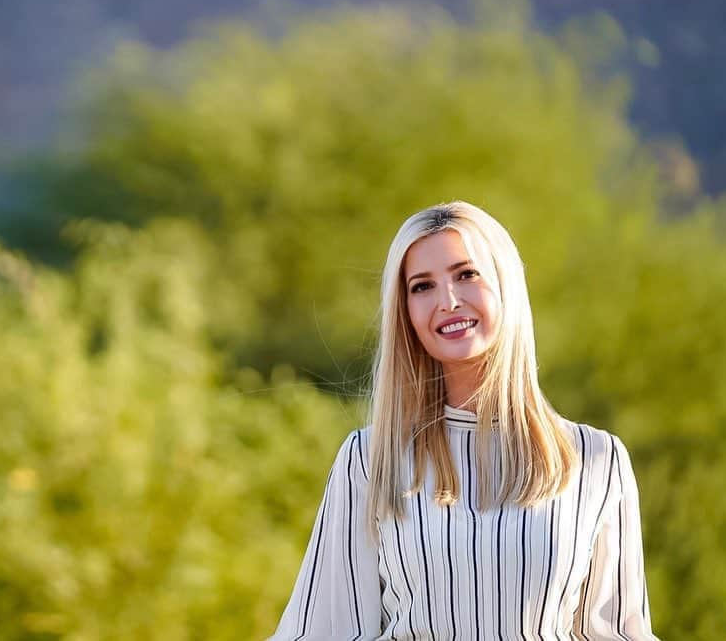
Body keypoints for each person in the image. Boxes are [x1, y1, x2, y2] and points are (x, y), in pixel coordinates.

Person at [267, 201, 659, 640]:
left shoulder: (596, 460)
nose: (447, 301)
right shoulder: (368, 460)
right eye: (422, 287)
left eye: (466, 274)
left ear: (505, 284)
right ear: (406, 313)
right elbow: (321, 630)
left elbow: (618, 634)